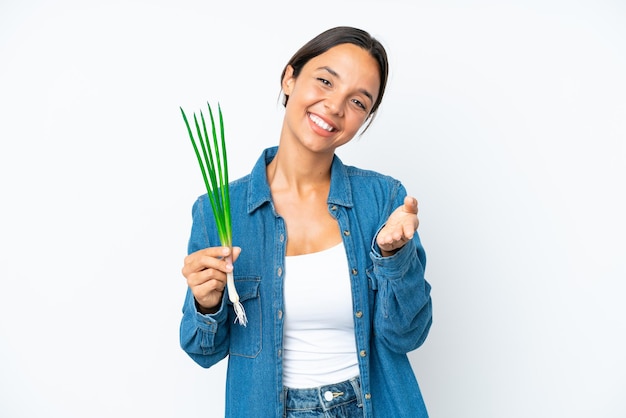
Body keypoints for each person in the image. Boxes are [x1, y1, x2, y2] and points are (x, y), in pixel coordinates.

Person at [179, 26, 433, 418]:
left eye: (358, 102)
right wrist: (207, 303)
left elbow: (406, 336)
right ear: (289, 77)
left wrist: (393, 258)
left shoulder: (384, 199)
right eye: (325, 81)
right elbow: (203, 352)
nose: (334, 106)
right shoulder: (218, 209)